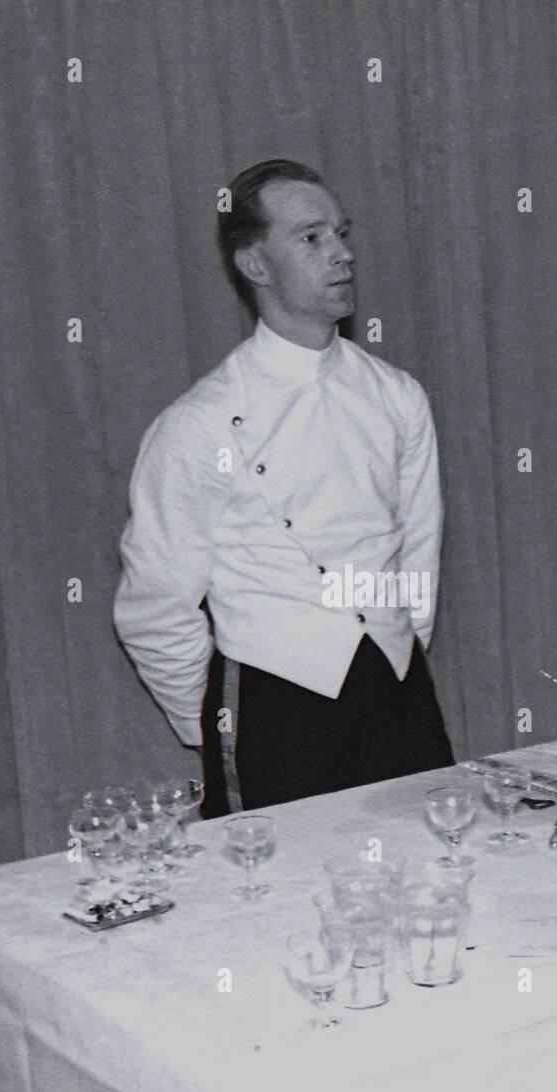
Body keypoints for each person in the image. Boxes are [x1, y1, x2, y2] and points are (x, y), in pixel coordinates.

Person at [114, 159, 454, 816]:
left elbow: (420, 552)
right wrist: (214, 724)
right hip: (275, 709)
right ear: (256, 265)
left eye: (341, 233)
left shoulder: (397, 395)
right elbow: (153, 608)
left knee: (436, 881)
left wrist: (393, 651)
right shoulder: (199, 422)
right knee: (279, 908)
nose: (342, 254)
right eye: (311, 238)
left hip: (400, 692)